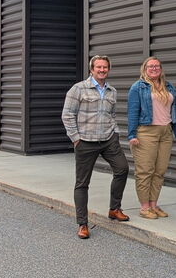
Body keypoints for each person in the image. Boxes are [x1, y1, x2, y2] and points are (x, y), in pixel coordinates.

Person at [61, 55, 130, 239]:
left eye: (105, 67)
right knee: (82, 183)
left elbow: (112, 114)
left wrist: (115, 132)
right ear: (91, 69)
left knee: (123, 169)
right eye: (98, 67)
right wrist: (76, 138)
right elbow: (67, 114)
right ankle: (82, 224)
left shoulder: (112, 91)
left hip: (108, 140)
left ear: (108, 69)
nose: (102, 70)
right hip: (85, 141)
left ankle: (114, 209)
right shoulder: (78, 89)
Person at [127, 57, 176, 219]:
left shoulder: (168, 86)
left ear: (161, 68)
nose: (154, 68)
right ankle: (144, 207)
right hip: (146, 132)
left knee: (160, 171)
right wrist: (132, 135)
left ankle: (154, 204)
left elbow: (174, 111)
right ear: (144, 68)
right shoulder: (138, 87)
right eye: (150, 66)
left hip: (165, 132)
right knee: (145, 171)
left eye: (157, 66)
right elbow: (132, 112)